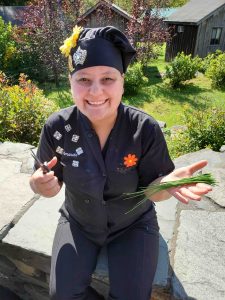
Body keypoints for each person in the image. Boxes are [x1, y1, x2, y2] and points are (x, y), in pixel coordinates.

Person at [29, 26, 212, 300]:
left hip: (133, 226)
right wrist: (38, 184)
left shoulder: (144, 129)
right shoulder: (57, 127)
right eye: (83, 79)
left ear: (122, 81)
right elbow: (49, 185)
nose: (95, 91)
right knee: (63, 296)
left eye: (107, 78)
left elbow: (153, 191)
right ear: (71, 83)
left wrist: (166, 184)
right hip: (79, 223)